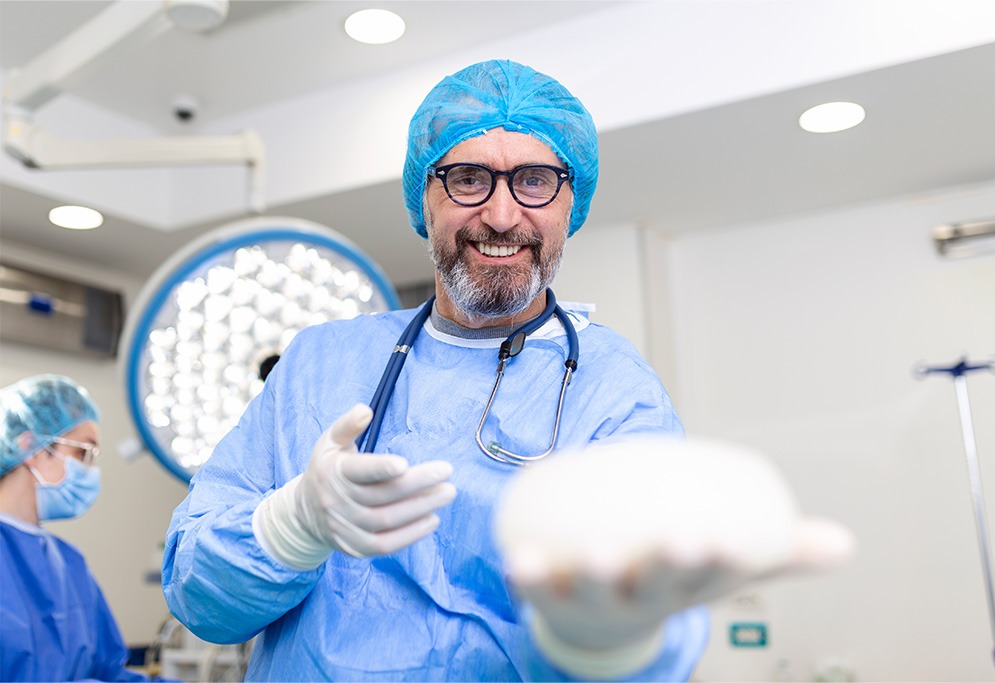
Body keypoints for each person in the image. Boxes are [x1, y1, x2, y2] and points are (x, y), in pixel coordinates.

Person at [163, 60, 851, 681]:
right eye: (467, 178)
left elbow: (657, 619)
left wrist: (605, 638)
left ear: (570, 204)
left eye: (534, 180)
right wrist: (292, 525)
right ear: (424, 197)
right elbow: (199, 599)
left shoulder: (614, 392)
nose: (499, 215)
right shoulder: (318, 365)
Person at [0, 375, 152, 681]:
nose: (90, 471)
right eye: (83, 452)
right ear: (30, 445)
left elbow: (109, 673)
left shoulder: (69, 563)